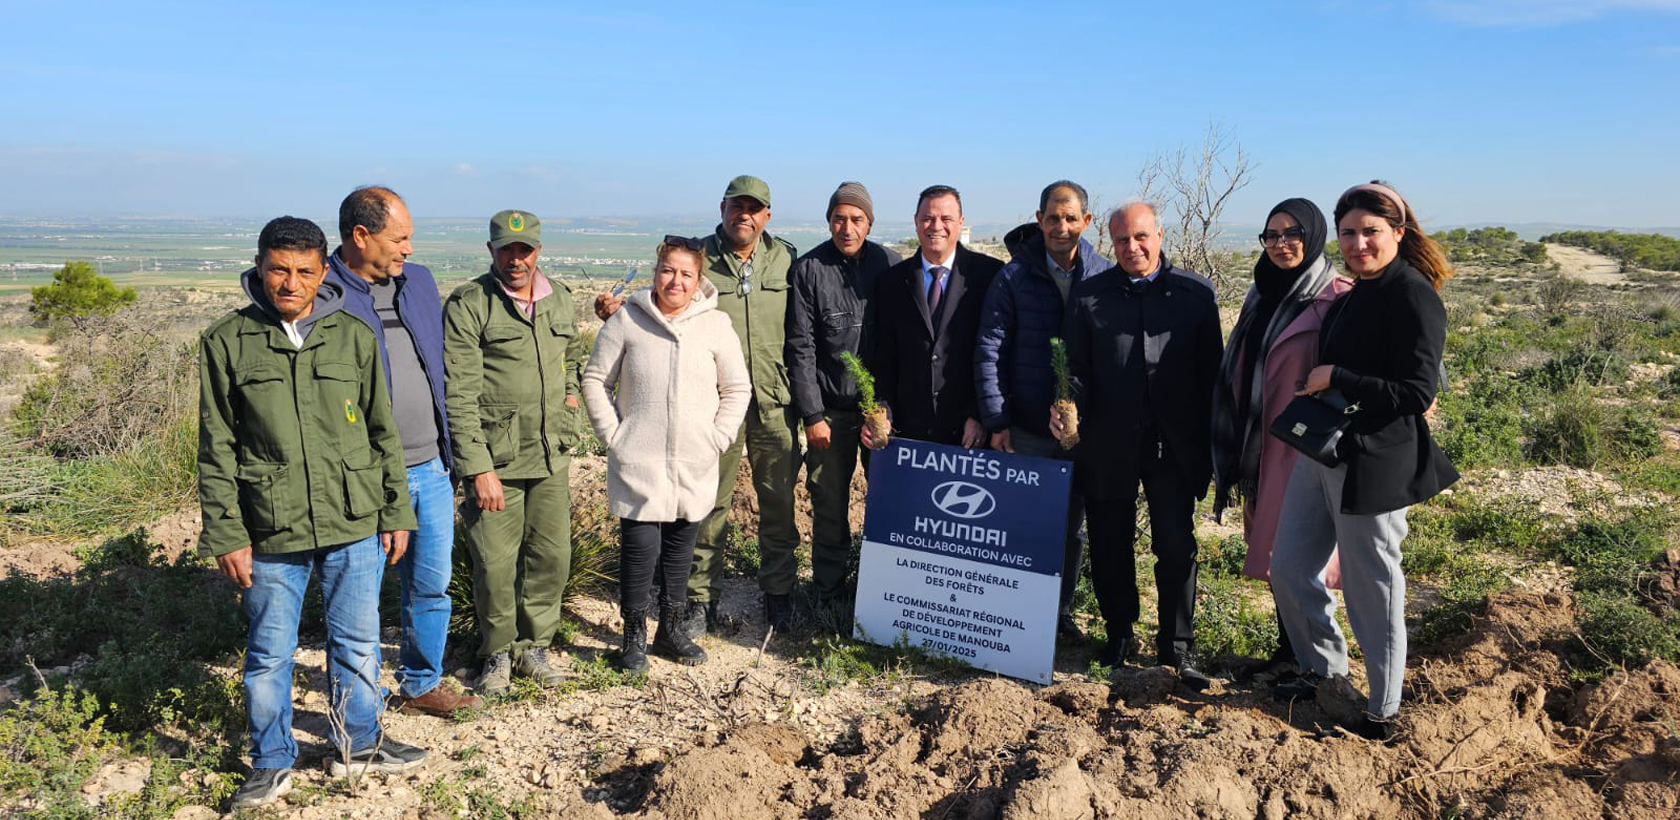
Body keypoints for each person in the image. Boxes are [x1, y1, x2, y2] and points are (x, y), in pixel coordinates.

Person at [199, 216, 426, 809]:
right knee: (269, 650)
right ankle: (271, 760)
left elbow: (383, 432)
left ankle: (361, 742)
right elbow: (217, 446)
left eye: (304, 271)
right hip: (270, 527)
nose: (290, 283)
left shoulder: (352, 334)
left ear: (324, 271)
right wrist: (227, 531)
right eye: (278, 269)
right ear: (259, 267)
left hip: (352, 520)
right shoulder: (228, 341)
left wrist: (395, 512)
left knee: (358, 640)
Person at [1269, 181, 1459, 739]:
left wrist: (1338, 377)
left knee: (1373, 586)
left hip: (1375, 461)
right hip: (1325, 449)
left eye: (1370, 232)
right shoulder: (1354, 294)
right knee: (1289, 568)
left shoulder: (1413, 295)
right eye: (1349, 233)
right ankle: (1324, 672)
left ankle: (1384, 710)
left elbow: (1417, 391)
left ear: (1398, 232)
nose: (1358, 243)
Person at [595, 176, 802, 636]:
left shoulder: (786, 258)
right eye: (736, 206)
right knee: (707, 508)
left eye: (754, 208)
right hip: (708, 408)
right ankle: (698, 603)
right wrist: (613, 313)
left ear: (767, 215)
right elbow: (654, 303)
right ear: (723, 208)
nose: (743, 215)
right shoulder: (698, 259)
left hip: (772, 398)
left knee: (778, 503)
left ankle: (779, 596)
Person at [325, 186, 480, 717]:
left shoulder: (418, 283)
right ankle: (357, 712)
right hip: (363, 477)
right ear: (360, 236)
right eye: (400, 238)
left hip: (431, 467)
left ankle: (420, 683)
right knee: (357, 602)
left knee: (430, 586)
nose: (409, 249)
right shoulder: (322, 293)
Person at [1058, 202, 1221, 690]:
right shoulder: (1089, 297)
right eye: (1123, 240)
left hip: (1173, 445)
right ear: (1110, 243)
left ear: (1160, 234)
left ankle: (1178, 645)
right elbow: (1075, 369)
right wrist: (1067, 404)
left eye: (1142, 237)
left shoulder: (1195, 294)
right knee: (1110, 544)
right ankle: (1118, 634)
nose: (1133, 248)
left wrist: (1214, 446)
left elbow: (1211, 376)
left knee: (1175, 544)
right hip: (1109, 443)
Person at [583, 236, 751, 671]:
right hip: (638, 459)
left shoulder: (716, 326)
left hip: (695, 460)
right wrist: (614, 436)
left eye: (686, 274)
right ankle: (633, 636)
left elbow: (736, 388)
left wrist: (718, 437)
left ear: (699, 281)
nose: (675, 281)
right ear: (656, 271)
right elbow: (595, 380)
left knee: (680, 551)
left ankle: (670, 631)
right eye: (667, 271)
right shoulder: (627, 321)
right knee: (640, 551)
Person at [443, 210, 589, 696]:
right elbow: (458, 396)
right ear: (491, 251)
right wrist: (477, 467)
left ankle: (534, 647)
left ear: (538, 251)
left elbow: (567, 359)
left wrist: (570, 395)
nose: (515, 259)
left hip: (551, 454)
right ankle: (497, 653)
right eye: (506, 249)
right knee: (494, 563)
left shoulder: (560, 299)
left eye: (524, 250)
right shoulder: (470, 305)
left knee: (551, 557)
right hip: (497, 461)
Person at [1209, 197, 1350, 680]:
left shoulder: (1336, 295)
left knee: (1303, 555)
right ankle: (1289, 650)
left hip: (1304, 447)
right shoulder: (1262, 293)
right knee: (1275, 551)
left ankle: (1317, 665)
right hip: (1259, 444)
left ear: (1313, 236)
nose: (1281, 243)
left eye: (1292, 233)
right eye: (1271, 235)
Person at [974, 180, 1114, 638]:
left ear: (1087, 223)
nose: (1061, 227)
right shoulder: (1013, 277)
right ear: (1039, 220)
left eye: (1071, 218)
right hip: (1029, 428)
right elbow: (989, 349)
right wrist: (997, 420)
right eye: (1052, 218)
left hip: (1085, 432)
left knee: (1072, 528)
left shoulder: (1103, 277)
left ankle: (1060, 612)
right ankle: (1014, 612)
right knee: (1022, 522)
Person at [784, 181, 901, 609]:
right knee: (829, 503)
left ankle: (881, 591)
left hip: (879, 413)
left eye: (856, 220)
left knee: (887, 501)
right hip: (829, 411)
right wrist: (812, 414)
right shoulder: (809, 270)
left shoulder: (890, 264)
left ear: (869, 223)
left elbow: (900, 342)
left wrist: (887, 405)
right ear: (829, 220)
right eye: (839, 218)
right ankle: (828, 591)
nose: (846, 228)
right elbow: (800, 347)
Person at [869, 185, 1002, 447]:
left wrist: (980, 414)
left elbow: (997, 353)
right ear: (916, 222)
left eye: (946, 218)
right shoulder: (891, 282)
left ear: (961, 222)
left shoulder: (989, 276)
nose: (936, 226)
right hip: (908, 432)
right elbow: (884, 355)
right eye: (928, 218)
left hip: (969, 433)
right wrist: (883, 412)